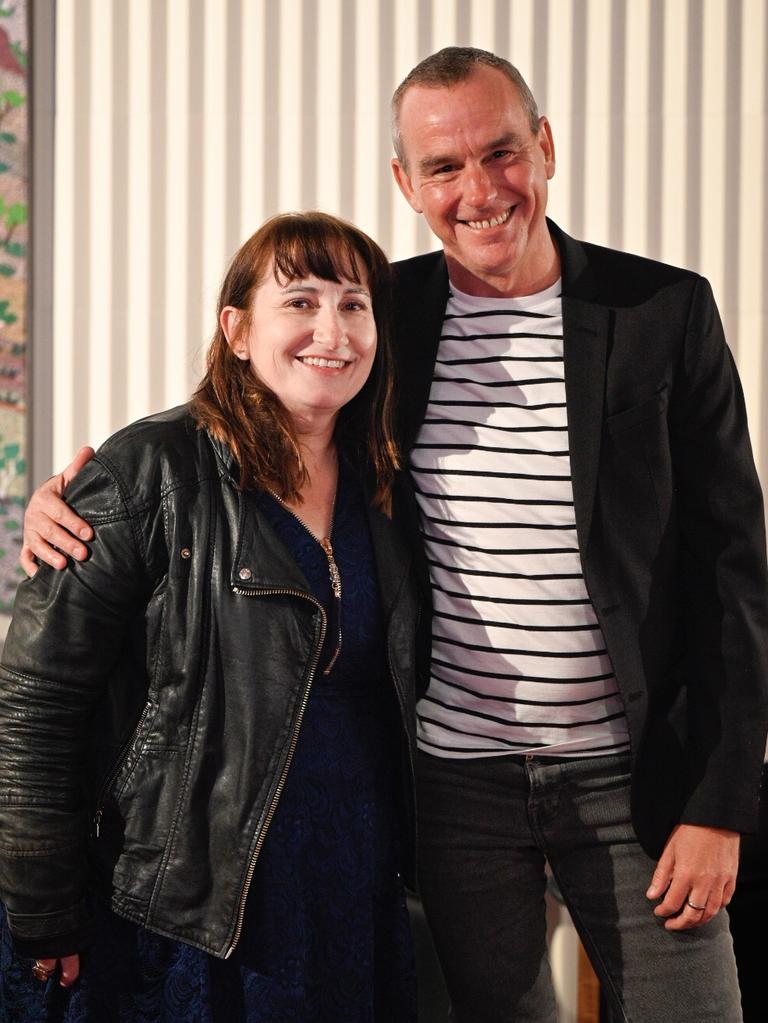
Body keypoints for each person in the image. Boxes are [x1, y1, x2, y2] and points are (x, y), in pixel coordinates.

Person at [19, 47, 768, 1023]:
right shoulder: (388, 315)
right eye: (444, 166)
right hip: (452, 788)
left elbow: (734, 570)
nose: (479, 189)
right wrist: (83, 496)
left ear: (544, 147)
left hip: (636, 777)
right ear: (405, 182)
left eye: (501, 153)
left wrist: (722, 799)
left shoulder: (660, 311)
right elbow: (251, 408)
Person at [0, 211, 420, 1023]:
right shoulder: (151, 469)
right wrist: (41, 900)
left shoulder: (387, 482)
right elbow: (36, 700)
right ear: (236, 328)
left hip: (344, 891)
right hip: (186, 906)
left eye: (353, 304)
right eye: (299, 301)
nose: (330, 329)